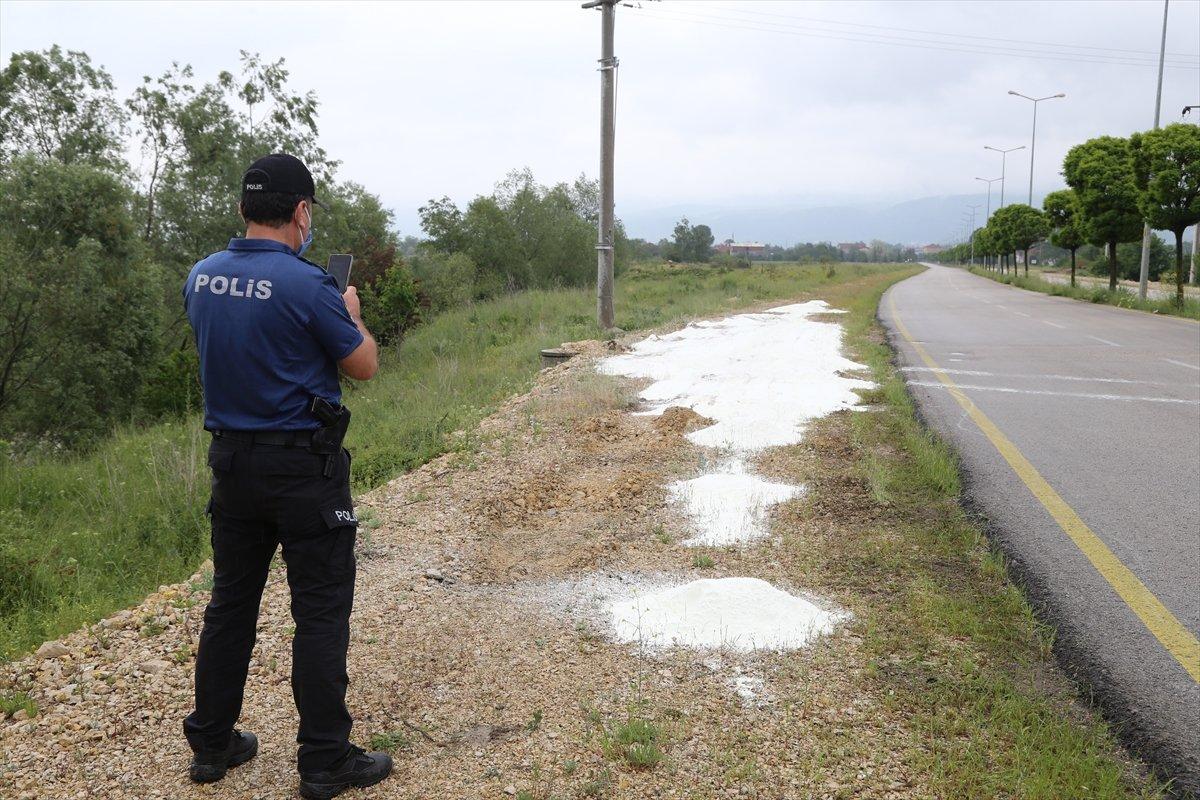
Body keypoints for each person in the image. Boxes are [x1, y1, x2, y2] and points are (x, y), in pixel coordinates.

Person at [181, 153, 392, 800]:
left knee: (231, 607)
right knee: (321, 612)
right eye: (309, 215)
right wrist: (349, 310)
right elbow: (363, 367)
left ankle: (213, 745)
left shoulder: (201, 277)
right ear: (301, 212)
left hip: (233, 466)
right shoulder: (310, 286)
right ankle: (325, 760)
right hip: (304, 468)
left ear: (245, 210)